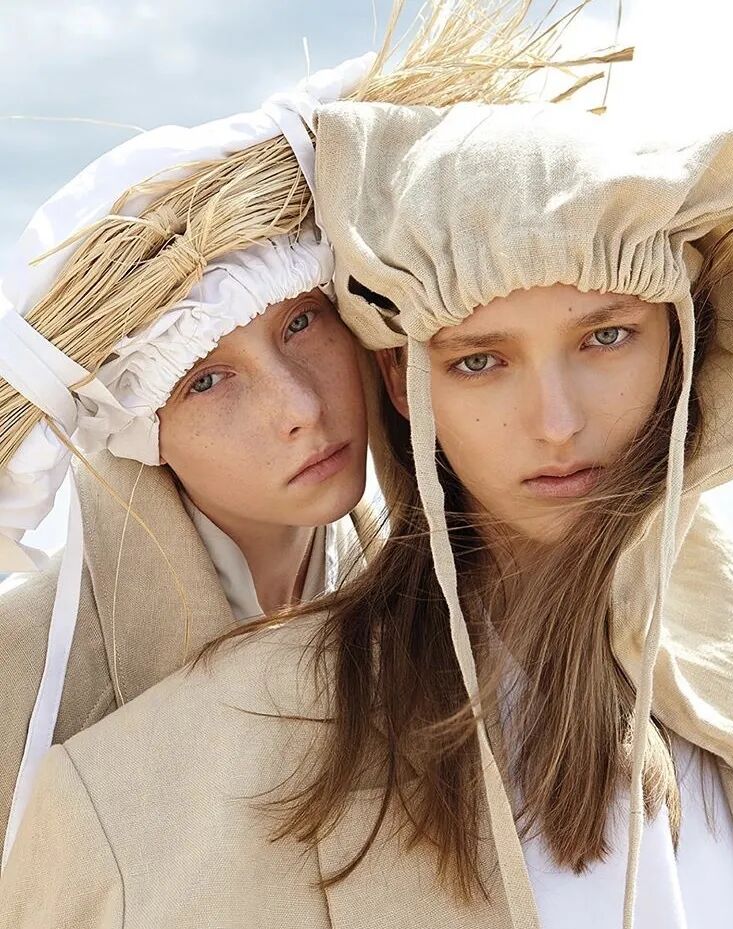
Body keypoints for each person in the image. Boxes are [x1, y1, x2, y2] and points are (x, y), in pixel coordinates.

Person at [0, 0, 591, 868]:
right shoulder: (23, 677)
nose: (299, 408)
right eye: (208, 380)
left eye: (302, 322)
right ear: (140, 430)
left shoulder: (448, 618)